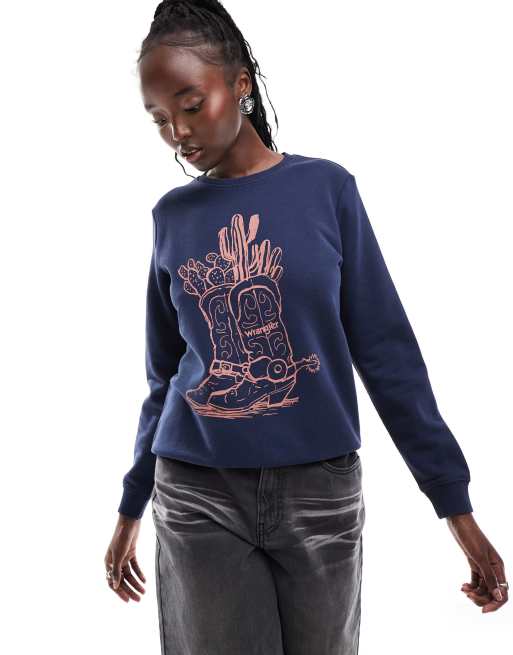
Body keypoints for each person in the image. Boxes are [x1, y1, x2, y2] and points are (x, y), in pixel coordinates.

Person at [104, 0, 508, 652]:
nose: (177, 131)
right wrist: (131, 506)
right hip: (198, 493)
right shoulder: (172, 216)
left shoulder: (327, 189)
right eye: (158, 118)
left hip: (320, 492)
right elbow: (164, 375)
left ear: (239, 83)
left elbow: (387, 354)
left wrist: (454, 509)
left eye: (190, 104)